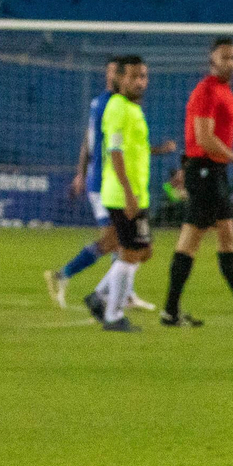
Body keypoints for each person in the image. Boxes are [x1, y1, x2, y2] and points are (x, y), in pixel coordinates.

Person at [161, 36, 233, 327]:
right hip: (204, 171)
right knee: (192, 240)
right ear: (212, 59)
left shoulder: (223, 90)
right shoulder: (206, 91)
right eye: (225, 57)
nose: (231, 63)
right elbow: (203, 138)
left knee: (226, 235)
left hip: (213, 172)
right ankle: (171, 311)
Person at [46, 56, 171, 312]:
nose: (123, 78)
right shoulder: (109, 105)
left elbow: (120, 145)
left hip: (112, 182)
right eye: (118, 73)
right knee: (119, 243)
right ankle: (75, 280)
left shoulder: (116, 104)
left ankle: (116, 292)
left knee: (128, 244)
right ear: (112, 77)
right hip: (106, 183)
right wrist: (83, 174)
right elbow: (101, 144)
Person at [87, 56, 157, 333]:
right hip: (121, 194)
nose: (140, 82)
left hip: (136, 193)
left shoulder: (132, 108)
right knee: (130, 252)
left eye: (143, 76)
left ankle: (99, 296)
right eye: (134, 77)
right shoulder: (117, 107)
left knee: (144, 251)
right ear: (120, 79)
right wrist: (128, 194)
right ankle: (113, 315)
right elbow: (114, 152)